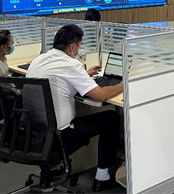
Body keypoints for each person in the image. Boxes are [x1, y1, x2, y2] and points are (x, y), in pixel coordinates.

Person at [26, 24, 123, 192]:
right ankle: (102, 178)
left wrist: (84, 75)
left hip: (35, 133)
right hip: (60, 136)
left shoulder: (39, 60)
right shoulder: (70, 65)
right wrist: (123, 84)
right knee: (110, 118)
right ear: (72, 47)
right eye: (79, 46)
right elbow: (101, 95)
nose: (78, 49)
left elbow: (59, 78)